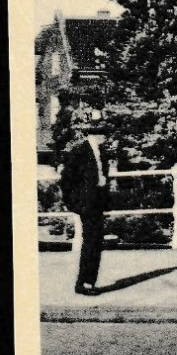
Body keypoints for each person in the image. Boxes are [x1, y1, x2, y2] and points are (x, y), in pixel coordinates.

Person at [60, 119, 109, 294]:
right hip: (87, 205)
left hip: (98, 203)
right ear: (94, 134)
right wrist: (74, 203)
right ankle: (83, 283)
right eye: (103, 133)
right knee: (90, 242)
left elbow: (103, 177)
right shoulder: (79, 152)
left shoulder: (101, 152)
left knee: (96, 241)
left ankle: (90, 281)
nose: (106, 136)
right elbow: (66, 179)